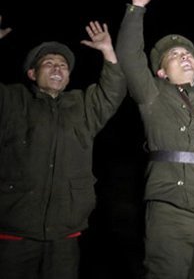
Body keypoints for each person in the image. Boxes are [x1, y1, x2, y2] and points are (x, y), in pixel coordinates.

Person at [115, 0, 194, 279]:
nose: (185, 56)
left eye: (188, 53)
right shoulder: (152, 93)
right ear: (162, 72)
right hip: (171, 202)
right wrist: (136, 10)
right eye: (175, 56)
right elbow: (128, 56)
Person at [0, 19, 127, 279]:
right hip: (14, 230)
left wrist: (107, 51)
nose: (57, 68)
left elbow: (112, 92)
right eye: (49, 63)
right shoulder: (12, 100)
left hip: (64, 233)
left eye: (63, 65)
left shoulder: (82, 105)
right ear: (32, 74)